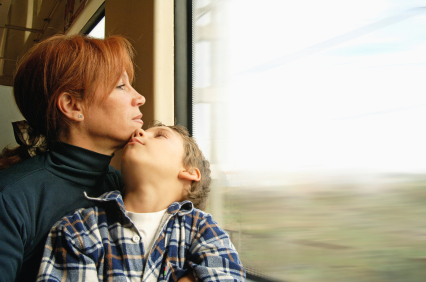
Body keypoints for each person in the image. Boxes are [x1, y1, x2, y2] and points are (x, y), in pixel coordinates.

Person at [0, 34, 146, 282]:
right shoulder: (11, 197)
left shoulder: (129, 186)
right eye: (121, 86)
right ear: (72, 106)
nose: (140, 98)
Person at [37, 122, 246, 282]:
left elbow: (228, 275)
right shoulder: (76, 230)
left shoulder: (201, 228)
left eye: (160, 135)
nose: (139, 132)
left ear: (190, 172)